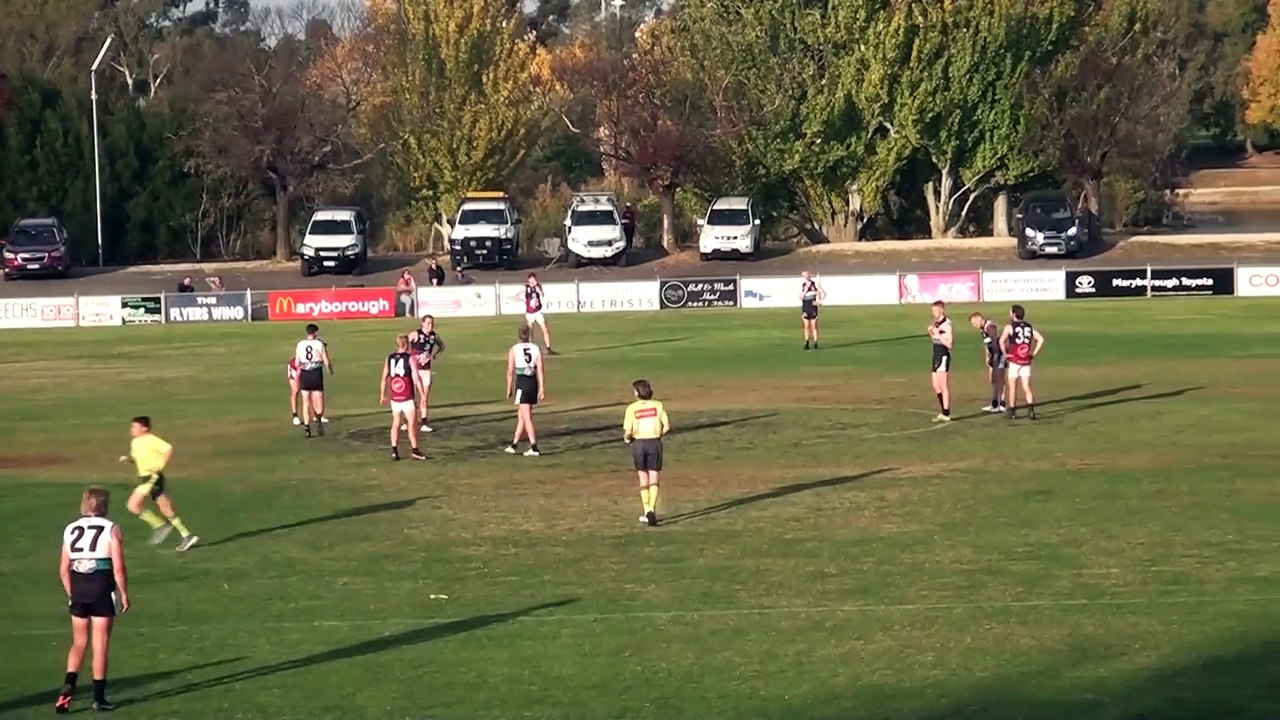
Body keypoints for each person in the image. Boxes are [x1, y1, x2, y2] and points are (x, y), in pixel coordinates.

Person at [55, 486, 129, 713]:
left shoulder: (70, 529)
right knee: (100, 643)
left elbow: (63, 569)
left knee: (78, 642)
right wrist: (124, 593)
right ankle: (98, 697)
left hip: (78, 586)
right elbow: (118, 568)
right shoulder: (111, 529)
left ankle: (67, 688)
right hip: (100, 585)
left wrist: (72, 594)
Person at [118, 416, 199, 551]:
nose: (131, 429)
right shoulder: (135, 442)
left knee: (133, 505)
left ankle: (160, 525)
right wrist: (128, 459)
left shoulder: (151, 440)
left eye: (134, 427)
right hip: (145, 477)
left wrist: (160, 464)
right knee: (166, 509)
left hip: (151, 477)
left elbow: (168, 449)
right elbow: (139, 458)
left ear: (144, 428)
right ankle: (187, 535)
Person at [622, 379, 670, 527]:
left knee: (643, 478)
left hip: (639, 443)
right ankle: (652, 510)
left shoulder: (631, 408)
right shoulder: (658, 405)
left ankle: (647, 509)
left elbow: (628, 431)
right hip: (654, 442)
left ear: (637, 392)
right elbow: (667, 426)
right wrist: (658, 434)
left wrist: (627, 438)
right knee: (654, 476)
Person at [380, 335, 427, 461]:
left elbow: (384, 377)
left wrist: (383, 394)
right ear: (407, 345)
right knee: (411, 424)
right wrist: (423, 395)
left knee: (395, 423)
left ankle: (394, 451)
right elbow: (416, 378)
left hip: (395, 396)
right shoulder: (410, 358)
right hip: (407, 395)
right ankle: (415, 450)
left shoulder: (389, 358)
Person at [1000, 304, 1045, 420]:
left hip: (1014, 360)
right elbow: (1040, 339)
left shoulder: (1009, 327)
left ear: (1014, 314)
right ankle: (1031, 411)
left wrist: (1005, 354)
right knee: (1026, 387)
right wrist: (1033, 354)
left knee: (1012, 387)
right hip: (1025, 360)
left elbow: (1001, 341)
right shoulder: (1029, 327)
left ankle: (1012, 412)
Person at [505, 325, 545, 456]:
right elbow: (540, 370)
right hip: (532, 382)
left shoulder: (514, 349)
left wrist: (508, 388)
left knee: (526, 417)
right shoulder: (536, 348)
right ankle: (514, 444)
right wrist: (542, 388)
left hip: (522, 383)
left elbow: (510, 371)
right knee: (522, 415)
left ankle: (534, 447)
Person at [407, 315, 446, 432]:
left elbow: (442, 346)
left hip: (426, 370)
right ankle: (407, 422)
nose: (430, 325)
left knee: (424, 397)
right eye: (428, 323)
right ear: (422, 323)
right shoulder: (416, 334)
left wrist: (435, 356)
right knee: (410, 397)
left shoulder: (434, 336)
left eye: (432, 323)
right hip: (415, 370)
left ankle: (424, 422)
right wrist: (411, 357)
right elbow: (404, 345)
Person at [295, 324, 333, 437]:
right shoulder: (319, 344)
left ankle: (307, 427)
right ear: (315, 333)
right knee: (318, 400)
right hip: (316, 373)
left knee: (306, 402)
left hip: (305, 373)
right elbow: (326, 360)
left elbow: (297, 362)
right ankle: (318, 419)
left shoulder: (300, 344)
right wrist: (330, 370)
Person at [969, 312, 1007, 413]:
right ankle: (995, 403)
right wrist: (987, 356)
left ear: (979, 319)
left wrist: (996, 357)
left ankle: (1002, 403)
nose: (974, 325)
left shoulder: (989, 327)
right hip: (993, 356)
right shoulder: (983, 329)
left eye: (974, 322)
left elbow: (995, 341)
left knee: (1000, 379)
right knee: (993, 380)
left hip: (999, 355)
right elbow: (987, 344)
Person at [927, 301, 953, 422]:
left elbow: (949, 344)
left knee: (943, 386)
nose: (933, 313)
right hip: (936, 355)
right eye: (932, 310)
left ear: (941, 310)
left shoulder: (947, 324)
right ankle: (943, 410)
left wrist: (938, 334)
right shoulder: (937, 323)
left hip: (943, 355)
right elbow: (935, 339)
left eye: (935, 310)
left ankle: (946, 412)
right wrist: (931, 332)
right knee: (936, 386)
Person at [524, 273, 555, 354]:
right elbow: (515, 295)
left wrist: (537, 287)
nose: (533, 281)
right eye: (531, 279)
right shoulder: (526, 288)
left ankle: (548, 348)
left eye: (534, 279)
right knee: (530, 331)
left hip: (538, 312)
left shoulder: (538, 287)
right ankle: (530, 348)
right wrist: (523, 301)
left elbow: (542, 294)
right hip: (530, 313)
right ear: (529, 280)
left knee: (545, 329)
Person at [800, 271, 826, 350]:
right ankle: (807, 342)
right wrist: (804, 291)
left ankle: (815, 342)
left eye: (808, 275)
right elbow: (800, 297)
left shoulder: (815, 285)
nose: (807, 277)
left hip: (812, 306)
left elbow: (823, 293)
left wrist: (818, 301)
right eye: (805, 276)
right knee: (806, 326)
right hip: (805, 306)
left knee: (814, 325)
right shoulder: (802, 285)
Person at [287, 356, 302, 425]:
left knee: (310, 391)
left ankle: (316, 414)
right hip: (294, 367)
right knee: (295, 390)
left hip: (307, 366)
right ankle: (295, 416)